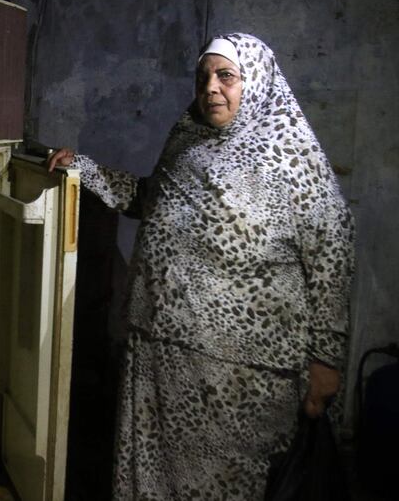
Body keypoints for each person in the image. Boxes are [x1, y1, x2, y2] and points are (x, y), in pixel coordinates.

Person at [48, 33, 355, 499]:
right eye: (203, 77)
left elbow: (332, 256)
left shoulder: (292, 156)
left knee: (232, 483)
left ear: (256, 83)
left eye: (226, 77)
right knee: (156, 476)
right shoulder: (188, 135)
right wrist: (85, 171)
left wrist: (326, 359)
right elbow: (150, 199)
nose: (211, 88)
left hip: (245, 371)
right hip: (162, 349)